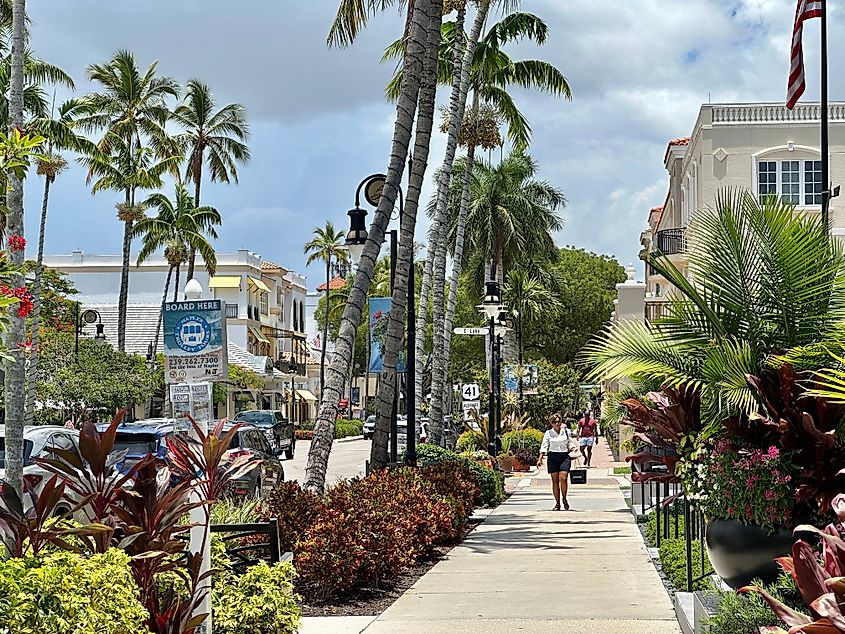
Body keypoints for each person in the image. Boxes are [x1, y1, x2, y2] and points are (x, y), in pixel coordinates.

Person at [537, 414, 574, 511]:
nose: (557, 424)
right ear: (551, 423)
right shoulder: (548, 433)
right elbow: (544, 446)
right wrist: (540, 458)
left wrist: (572, 447)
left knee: (564, 478)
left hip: (564, 456)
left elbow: (570, 442)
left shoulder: (566, 432)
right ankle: (557, 503)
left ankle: (564, 498)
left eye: (558, 421)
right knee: (555, 481)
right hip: (553, 457)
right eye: (555, 422)